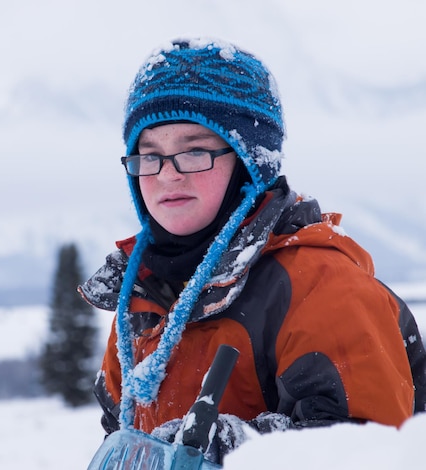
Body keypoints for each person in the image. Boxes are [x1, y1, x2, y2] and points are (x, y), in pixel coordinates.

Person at [78, 37, 426, 465]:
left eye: (194, 152)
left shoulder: (321, 288)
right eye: (149, 156)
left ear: (249, 164)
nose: (167, 175)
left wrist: (233, 448)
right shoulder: (142, 298)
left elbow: (367, 450)